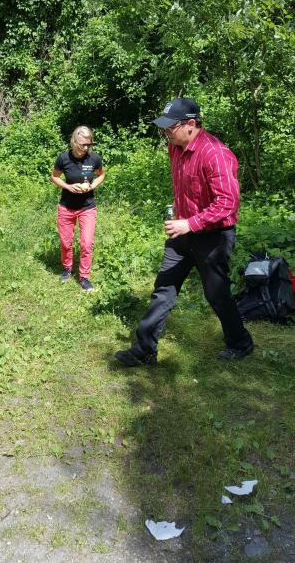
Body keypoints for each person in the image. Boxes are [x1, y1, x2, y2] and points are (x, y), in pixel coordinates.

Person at [115, 97, 254, 366]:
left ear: (190, 124)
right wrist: (182, 217)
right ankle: (145, 349)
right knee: (164, 287)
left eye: (170, 127)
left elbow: (228, 203)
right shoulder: (175, 146)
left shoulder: (216, 154)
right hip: (183, 231)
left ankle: (240, 343)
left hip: (214, 236)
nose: (166, 132)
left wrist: (190, 223)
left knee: (217, 293)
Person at [51, 126, 105, 291]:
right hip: (66, 207)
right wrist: (68, 186)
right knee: (66, 242)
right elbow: (54, 177)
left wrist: (92, 185)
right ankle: (67, 269)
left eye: (89, 144)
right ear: (74, 141)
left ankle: (84, 277)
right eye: (83, 144)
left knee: (86, 244)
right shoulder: (63, 158)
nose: (86, 148)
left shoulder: (94, 158)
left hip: (87, 207)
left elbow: (101, 174)